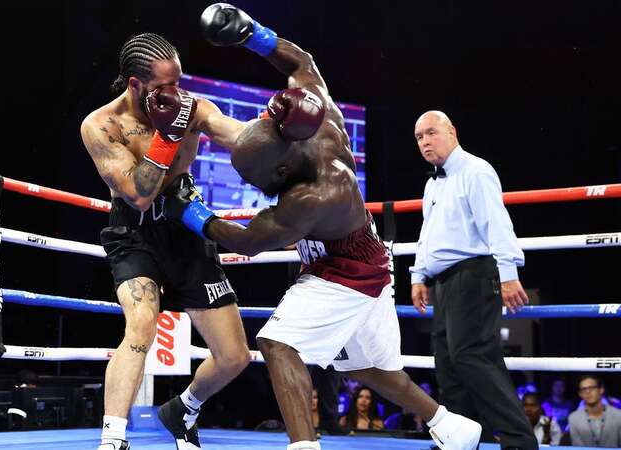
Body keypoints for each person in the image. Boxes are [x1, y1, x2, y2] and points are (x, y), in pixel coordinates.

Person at [163, 4, 483, 450]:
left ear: (278, 173)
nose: (253, 189)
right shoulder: (318, 121)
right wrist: (251, 34)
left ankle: (304, 446)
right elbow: (301, 62)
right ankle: (453, 427)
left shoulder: (311, 197)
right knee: (363, 367)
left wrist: (189, 210)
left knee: (277, 344)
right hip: (369, 259)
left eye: (256, 182)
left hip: (344, 271)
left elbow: (247, 241)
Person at [80, 32, 252, 450]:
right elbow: (137, 194)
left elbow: (241, 137)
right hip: (133, 231)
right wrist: (166, 136)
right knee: (140, 322)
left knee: (235, 357)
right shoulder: (101, 125)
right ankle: (113, 439)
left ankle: (184, 409)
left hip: (185, 227)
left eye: (178, 81)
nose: (175, 93)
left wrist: (282, 128)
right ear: (134, 84)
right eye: (162, 87)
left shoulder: (191, 107)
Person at [408, 109, 537, 449]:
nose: (425, 142)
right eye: (419, 137)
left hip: (474, 276)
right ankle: (461, 441)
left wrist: (509, 273)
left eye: (431, 133)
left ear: (452, 131)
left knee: (473, 359)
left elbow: (496, 223)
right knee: (449, 366)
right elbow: (429, 233)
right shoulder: (432, 183)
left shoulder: (475, 171)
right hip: (444, 283)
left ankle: (520, 442)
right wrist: (419, 274)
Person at [568, 375, 621, 447]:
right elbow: (578, 447)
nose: (588, 392)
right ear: (580, 394)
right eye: (583, 389)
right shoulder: (574, 419)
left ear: (601, 390)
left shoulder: (618, 416)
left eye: (591, 388)